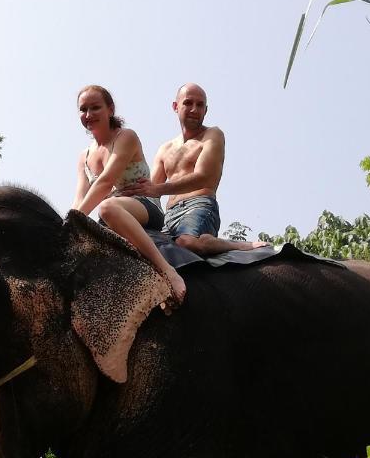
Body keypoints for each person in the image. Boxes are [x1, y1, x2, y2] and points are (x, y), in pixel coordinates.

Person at [121, 83, 268, 256]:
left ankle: (237, 245)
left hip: (198, 205)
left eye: (200, 105)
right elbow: (150, 191)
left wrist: (157, 189)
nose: (194, 109)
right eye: (188, 103)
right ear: (175, 106)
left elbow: (204, 177)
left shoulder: (212, 135)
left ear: (206, 110)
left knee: (187, 243)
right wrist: (124, 193)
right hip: (169, 216)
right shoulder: (165, 149)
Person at [72, 85, 186, 306]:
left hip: (142, 206)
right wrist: (66, 226)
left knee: (107, 207)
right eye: (83, 109)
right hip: (111, 217)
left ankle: (167, 270)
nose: (88, 115)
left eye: (95, 108)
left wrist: (74, 221)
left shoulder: (126, 137)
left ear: (110, 109)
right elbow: (79, 198)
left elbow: (105, 183)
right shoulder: (83, 156)